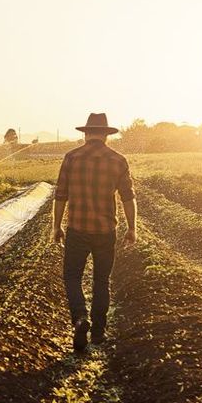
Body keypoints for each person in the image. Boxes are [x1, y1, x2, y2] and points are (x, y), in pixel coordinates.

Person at [52, 112, 137, 351]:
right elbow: (128, 198)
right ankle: (98, 333)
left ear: (87, 133)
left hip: (77, 228)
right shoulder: (118, 160)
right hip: (105, 230)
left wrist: (56, 227)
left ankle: (80, 318)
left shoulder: (71, 158)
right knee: (101, 280)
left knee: (72, 276)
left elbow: (60, 196)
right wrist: (132, 228)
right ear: (106, 135)